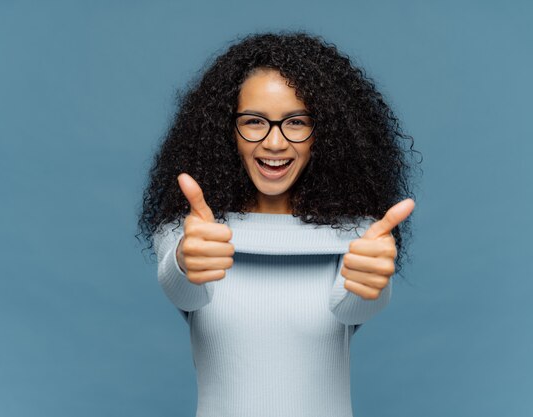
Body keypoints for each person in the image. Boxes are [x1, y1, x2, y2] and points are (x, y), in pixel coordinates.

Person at [137, 31, 421, 417]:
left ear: (324, 134)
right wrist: (186, 261)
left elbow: (353, 309)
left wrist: (372, 281)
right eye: (254, 121)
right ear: (227, 131)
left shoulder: (358, 234)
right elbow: (184, 291)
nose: (274, 143)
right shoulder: (190, 231)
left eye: (296, 122)